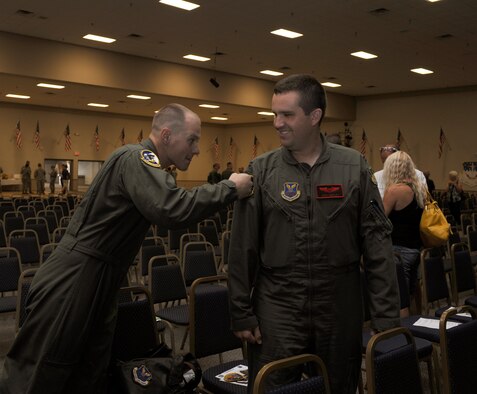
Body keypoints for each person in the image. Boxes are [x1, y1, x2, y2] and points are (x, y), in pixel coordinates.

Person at [0, 103, 253, 393]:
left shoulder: (150, 166)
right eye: (193, 140)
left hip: (101, 277)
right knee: (41, 372)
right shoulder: (137, 157)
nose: (197, 149)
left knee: (89, 373)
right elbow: (171, 209)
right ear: (167, 135)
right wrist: (229, 188)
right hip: (77, 277)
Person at [228, 74, 400, 393]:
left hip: (338, 307)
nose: (277, 123)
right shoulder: (261, 171)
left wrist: (386, 317)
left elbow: (378, 246)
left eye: (287, 114)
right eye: (274, 114)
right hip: (278, 308)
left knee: (339, 386)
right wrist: (241, 312)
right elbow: (242, 248)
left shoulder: (354, 167)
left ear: (314, 116)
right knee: (273, 386)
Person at [382, 151, 426, 315]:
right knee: (411, 292)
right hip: (415, 248)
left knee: (401, 300)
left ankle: (404, 336)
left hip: (399, 250)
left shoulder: (394, 190)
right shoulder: (419, 188)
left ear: (392, 169)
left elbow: (379, 219)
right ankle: (416, 329)